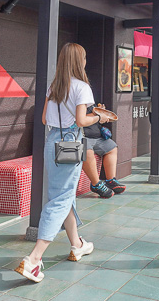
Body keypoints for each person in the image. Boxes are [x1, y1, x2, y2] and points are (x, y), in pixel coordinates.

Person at [16, 43, 110, 283]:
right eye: (85, 57)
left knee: (62, 193)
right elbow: (80, 120)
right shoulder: (82, 87)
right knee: (60, 198)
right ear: (80, 61)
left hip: (52, 141)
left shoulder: (55, 85)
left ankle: (77, 244)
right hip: (71, 142)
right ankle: (34, 259)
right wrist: (100, 116)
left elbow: (46, 117)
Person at [82, 113, 126, 199]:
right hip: (83, 136)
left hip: (97, 137)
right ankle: (96, 184)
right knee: (87, 151)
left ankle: (110, 181)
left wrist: (101, 114)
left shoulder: (91, 103)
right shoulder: (80, 102)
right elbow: (80, 118)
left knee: (112, 147)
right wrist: (98, 116)